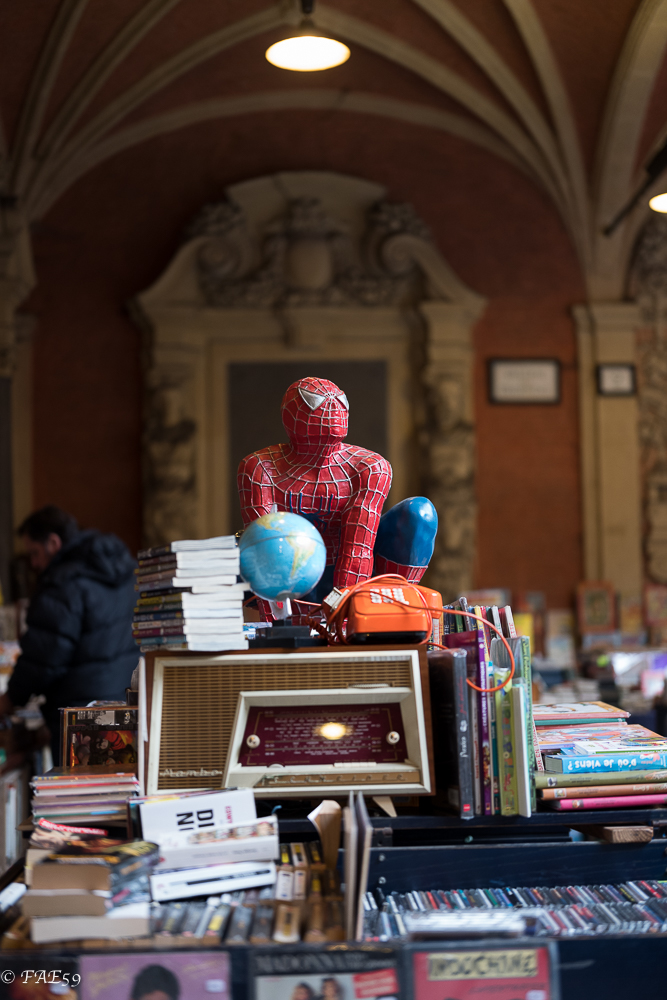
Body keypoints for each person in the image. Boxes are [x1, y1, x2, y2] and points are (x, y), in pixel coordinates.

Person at [0, 505, 138, 762]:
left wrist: (9, 700)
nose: (33, 563)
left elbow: (42, 659)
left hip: (81, 718)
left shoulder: (63, 583)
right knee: (113, 781)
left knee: (80, 784)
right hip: (124, 704)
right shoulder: (122, 572)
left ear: (53, 543)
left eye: (35, 553)